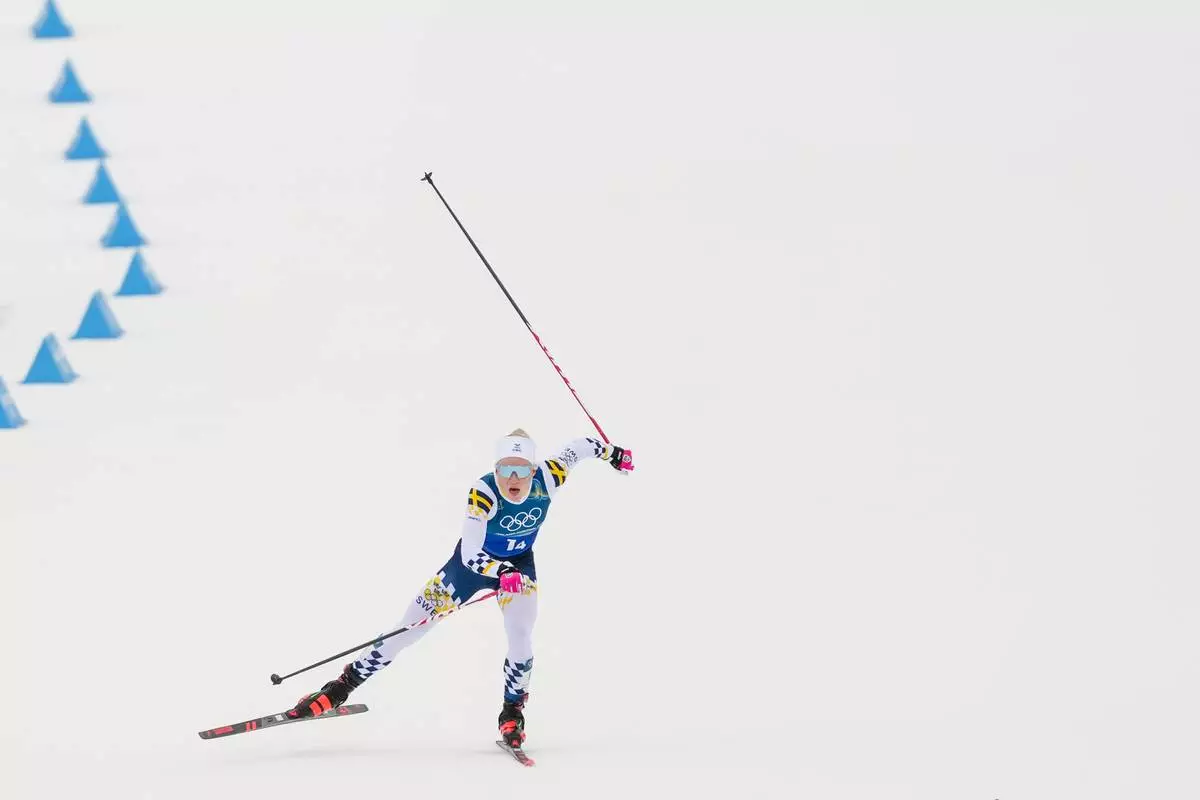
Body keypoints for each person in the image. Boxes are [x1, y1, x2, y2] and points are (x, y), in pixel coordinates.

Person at [286, 428, 633, 748]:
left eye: (522, 471)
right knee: (406, 631)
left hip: (519, 569)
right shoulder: (483, 493)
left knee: (521, 637)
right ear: (495, 469)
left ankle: (512, 712)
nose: (513, 479)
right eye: (505, 470)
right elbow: (469, 554)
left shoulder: (550, 476)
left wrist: (613, 453)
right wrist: (500, 571)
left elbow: (582, 447)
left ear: (533, 468)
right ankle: (339, 688)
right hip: (467, 572)